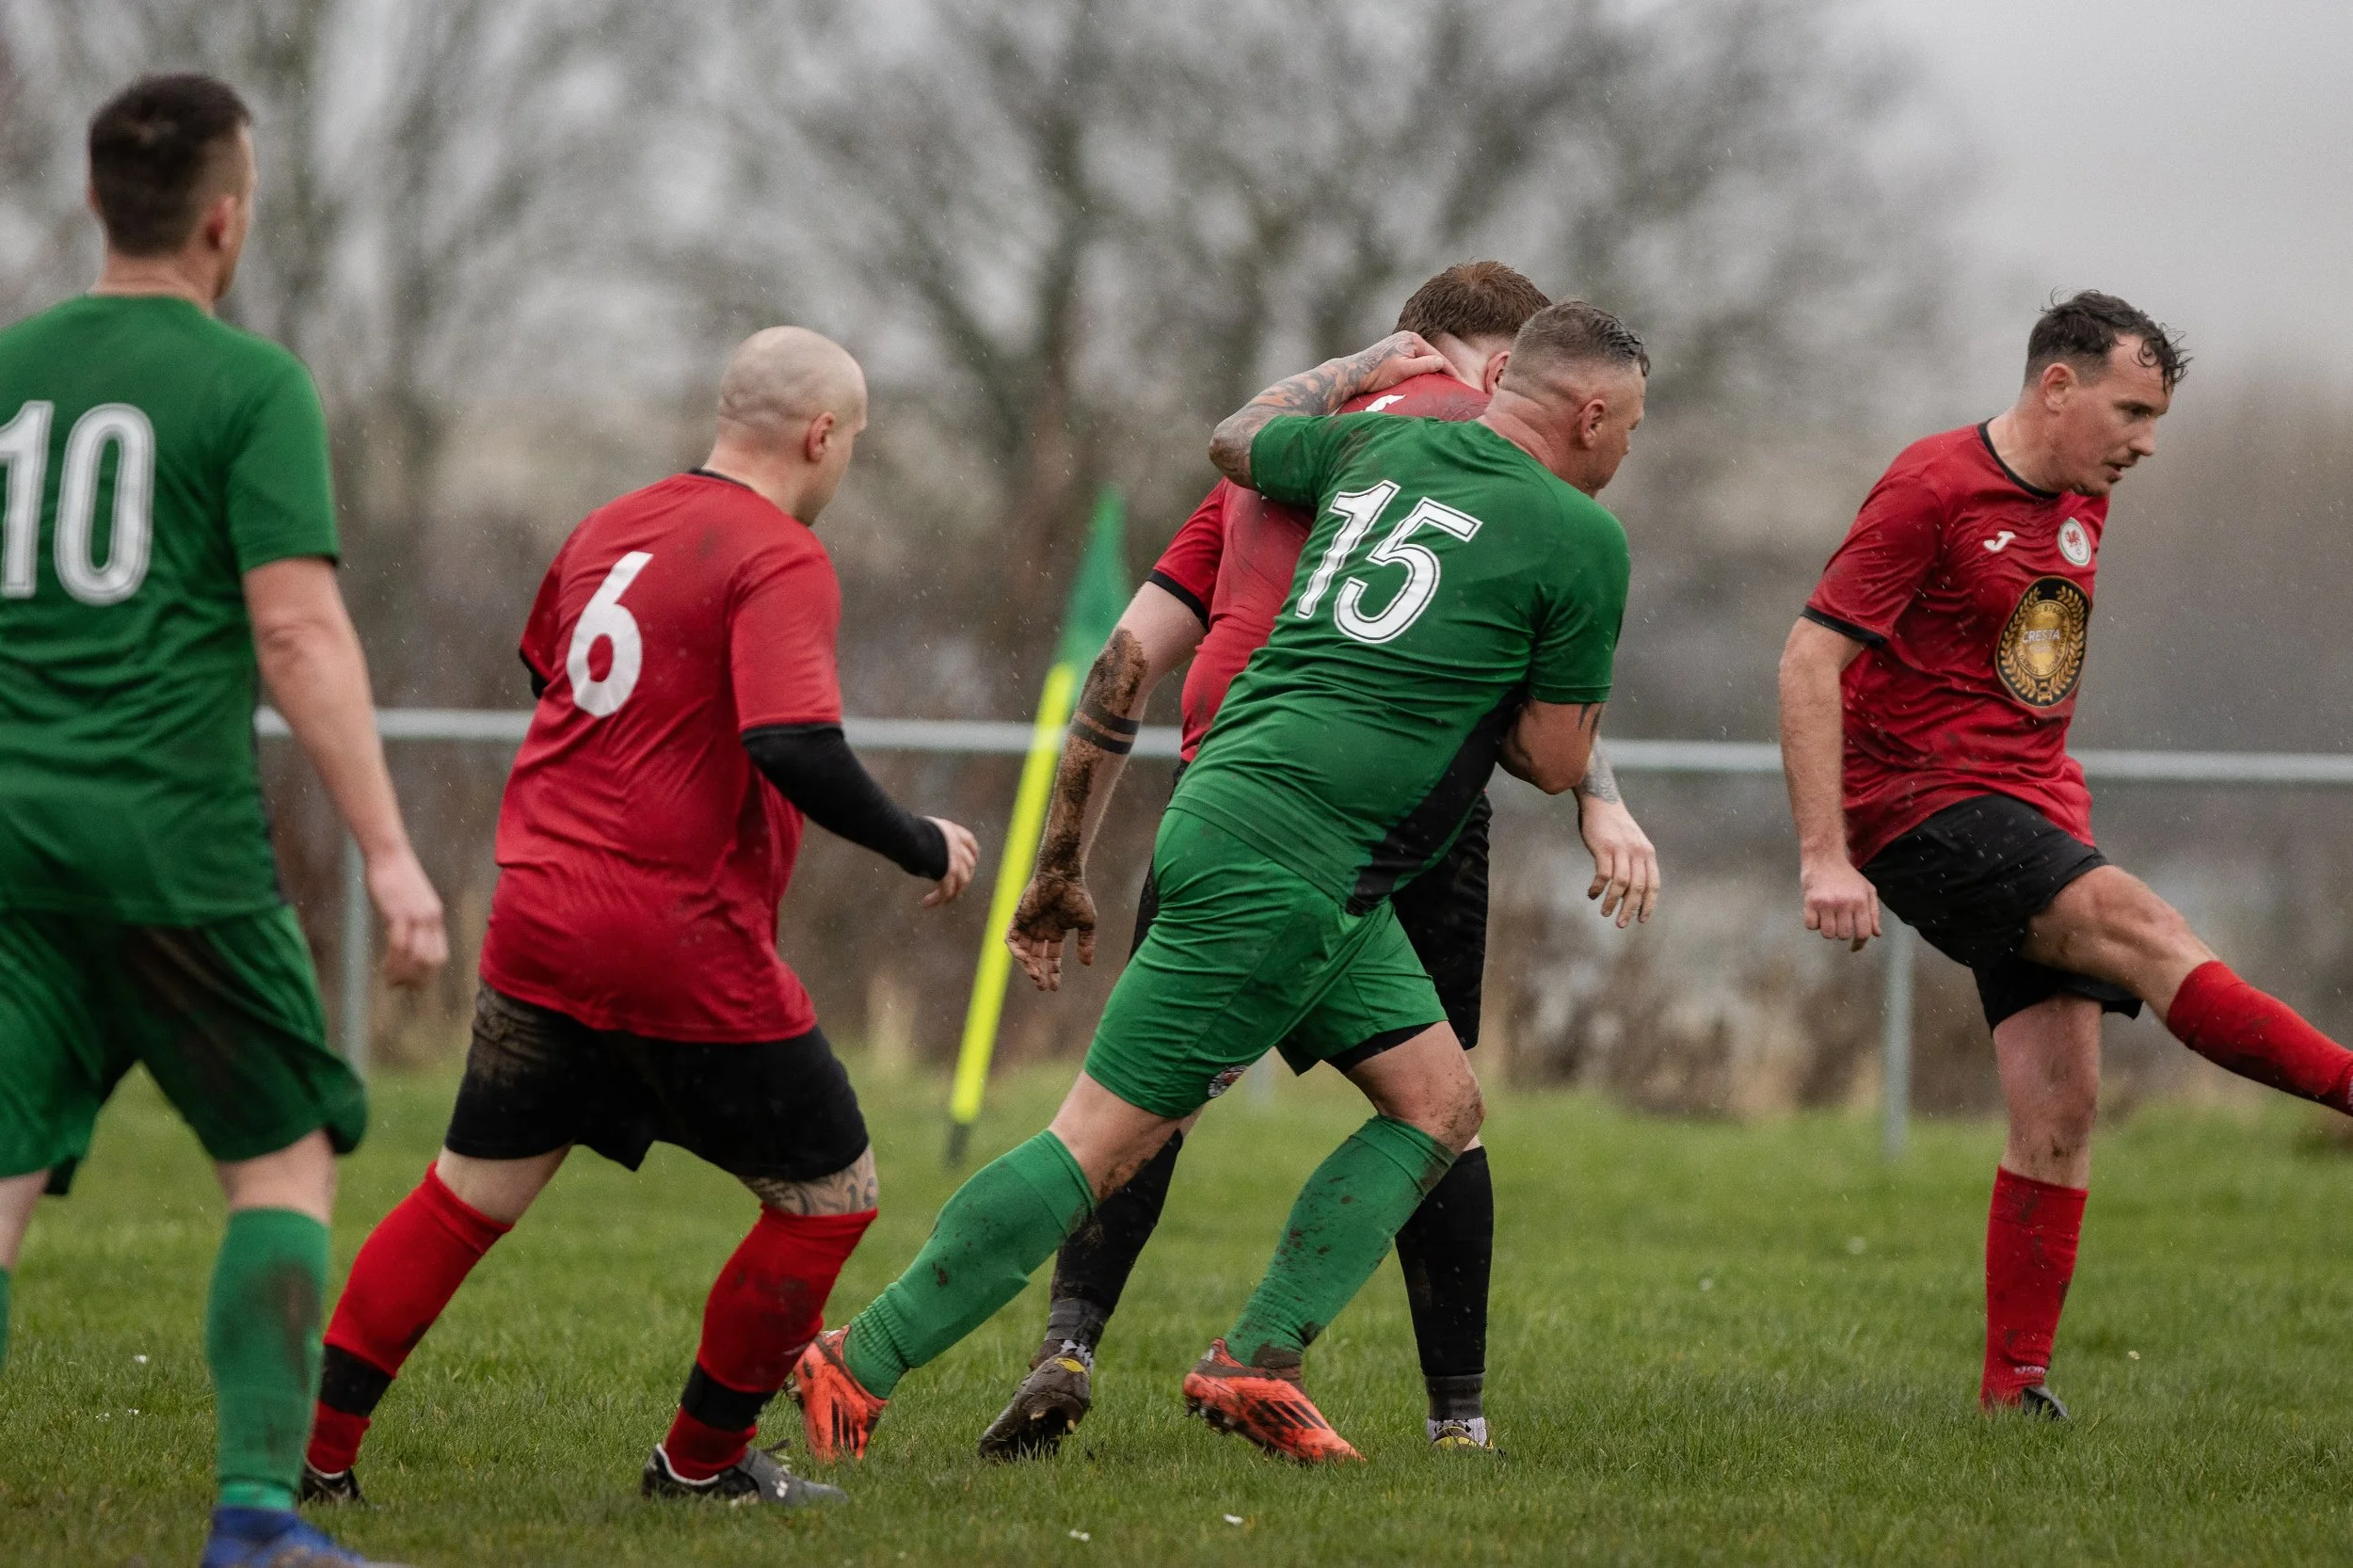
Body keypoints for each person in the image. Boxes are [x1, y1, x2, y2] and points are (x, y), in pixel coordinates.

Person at [792, 299, 1647, 1464]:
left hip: (1260, 819)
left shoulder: (1375, 440)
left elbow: (1234, 438)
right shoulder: (1582, 538)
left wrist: (1348, 367)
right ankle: (857, 1358)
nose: (1626, 453)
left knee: (1439, 1105)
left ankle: (1258, 1359)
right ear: (1589, 411)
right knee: (1095, 1143)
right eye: (1632, 431)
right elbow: (1553, 757)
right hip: (1291, 863)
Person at [297, 328, 979, 1509]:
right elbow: (791, 743)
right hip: (677, 939)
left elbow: (555, 685)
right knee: (831, 1199)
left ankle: (311, 1461)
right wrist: (922, 842)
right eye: (853, 444)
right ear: (822, 436)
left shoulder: (607, 526)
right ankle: (699, 1465)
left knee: (466, 1196)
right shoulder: (780, 552)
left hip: (540, 914)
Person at [0, 75, 450, 1568]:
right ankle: (257, 1519)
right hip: (173, 844)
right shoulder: (247, 385)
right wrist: (390, 852)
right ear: (223, 217)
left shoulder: (11, 369)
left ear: (92, 207)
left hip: (9, 844)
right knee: (277, 1157)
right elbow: (302, 634)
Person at [1779, 290, 2353, 1418]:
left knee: (2059, 1106)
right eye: (2131, 411)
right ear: (2057, 386)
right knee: (2149, 929)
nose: (2145, 441)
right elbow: (1806, 660)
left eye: (2156, 418)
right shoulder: (1930, 487)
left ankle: (2014, 1389)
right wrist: (1823, 856)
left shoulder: (2085, 496)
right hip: (1923, 809)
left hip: (2034, 804)